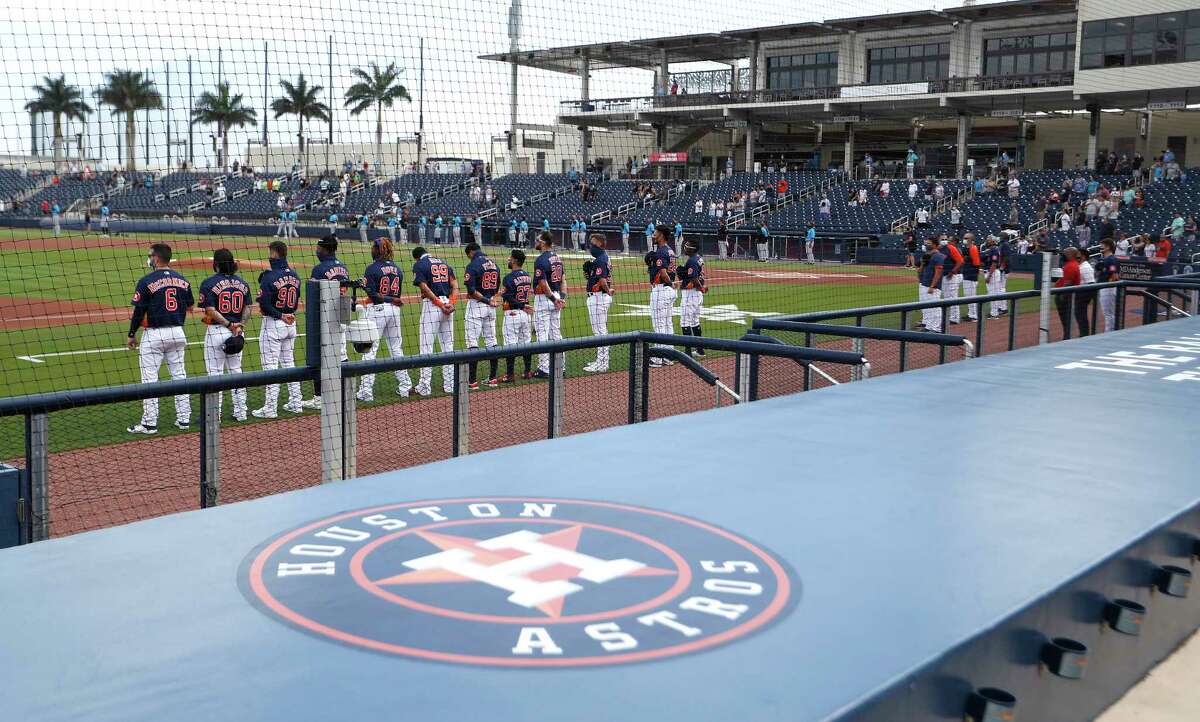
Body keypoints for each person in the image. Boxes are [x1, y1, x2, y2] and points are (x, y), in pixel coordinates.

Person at [126, 243, 194, 434]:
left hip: (155, 335)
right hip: (178, 333)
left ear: (156, 258)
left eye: (150, 255)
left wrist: (132, 334)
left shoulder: (147, 280)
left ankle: (149, 424)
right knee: (180, 376)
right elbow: (190, 307)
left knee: (149, 379)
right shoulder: (183, 279)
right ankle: (184, 419)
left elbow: (138, 311)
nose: (149, 258)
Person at [252, 241, 305, 419]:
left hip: (274, 324)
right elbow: (296, 301)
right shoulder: (296, 276)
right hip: (291, 323)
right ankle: (296, 403)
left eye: (270, 252)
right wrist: (286, 315)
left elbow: (265, 306)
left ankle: (270, 408)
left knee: (271, 367)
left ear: (274, 254)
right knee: (289, 364)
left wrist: (280, 316)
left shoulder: (269, 277)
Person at [357, 238, 413, 403]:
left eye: (373, 247)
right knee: (396, 349)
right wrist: (391, 299)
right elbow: (394, 295)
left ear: (378, 249)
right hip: (394, 312)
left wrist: (384, 297)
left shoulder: (372, 268)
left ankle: (366, 392)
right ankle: (405, 387)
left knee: (369, 350)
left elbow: (373, 295)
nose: (371, 250)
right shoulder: (397, 269)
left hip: (378, 310)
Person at [199, 249, 251, 422]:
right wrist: (240, 325)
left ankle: (214, 416)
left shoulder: (208, 283)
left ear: (216, 264)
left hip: (218, 330)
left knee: (215, 374)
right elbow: (249, 307)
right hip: (237, 332)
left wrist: (228, 324)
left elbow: (210, 310)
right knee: (236, 371)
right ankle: (241, 412)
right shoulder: (243, 283)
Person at [411, 246, 458, 395]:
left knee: (426, 347)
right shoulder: (444, 263)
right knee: (448, 347)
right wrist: (452, 302)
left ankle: (424, 387)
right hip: (448, 306)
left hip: (433, 306)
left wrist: (438, 303)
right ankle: (450, 385)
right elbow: (455, 285)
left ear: (417, 257)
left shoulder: (420, 264)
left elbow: (423, 287)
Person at [462, 242, 501, 389]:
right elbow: (496, 287)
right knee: (491, 341)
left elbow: (471, 291)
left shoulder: (473, 265)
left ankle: (472, 382)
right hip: (491, 306)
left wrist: (484, 299)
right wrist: (489, 300)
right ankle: (492, 379)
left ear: (471, 252)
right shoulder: (494, 264)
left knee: (472, 343)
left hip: (477, 306)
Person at [531, 231, 565, 378]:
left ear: (543, 242)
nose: (536, 242)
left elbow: (543, 283)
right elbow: (564, 279)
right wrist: (561, 297)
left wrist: (552, 298)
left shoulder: (541, 259)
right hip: (556, 296)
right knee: (556, 334)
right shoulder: (557, 258)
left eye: (538, 240)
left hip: (545, 299)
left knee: (542, 334)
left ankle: (544, 369)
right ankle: (560, 367)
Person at [499, 249, 534, 382]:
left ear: (514, 260)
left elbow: (508, 296)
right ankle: (527, 372)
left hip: (513, 313)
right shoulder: (527, 275)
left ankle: (509, 375)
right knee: (526, 343)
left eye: (510, 258)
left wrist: (520, 305)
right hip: (525, 315)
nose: (508, 259)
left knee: (510, 344)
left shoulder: (508, 277)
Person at [646, 224, 678, 366]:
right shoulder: (670, 251)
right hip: (669, 292)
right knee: (667, 324)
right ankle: (668, 355)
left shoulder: (660, 251)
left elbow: (664, 273)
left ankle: (658, 358)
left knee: (659, 324)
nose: (653, 235)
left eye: (655, 233)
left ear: (662, 235)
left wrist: (669, 283)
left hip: (661, 290)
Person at [583, 234, 613, 372]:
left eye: (593, 243)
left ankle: (602, 363)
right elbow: (606, 277)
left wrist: (607, 290)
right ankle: (601, 361)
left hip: (598, 298)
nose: (591, 246)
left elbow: (602, 280)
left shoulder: (601, 259)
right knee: (600, 331)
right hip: (599, 297)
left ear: (601, 244)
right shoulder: (604, 258)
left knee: (600, 332)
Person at [677, 238, 706, 358]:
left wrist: (701, 287)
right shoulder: (698, 257)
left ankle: (687, 353)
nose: (685, 247)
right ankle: (700, 350)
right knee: (695, 321)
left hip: (691, 294)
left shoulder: (692, 261)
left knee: (684, 322)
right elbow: (699, 275)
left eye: (687, 246)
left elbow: (694, 278)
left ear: (691, 249)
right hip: (696, 295)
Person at [1054, 247, 1086, 337]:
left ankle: (1067, 337)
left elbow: (1068, 283)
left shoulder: (1071, 266)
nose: (1063, 255)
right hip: (1067, 295)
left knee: (1066, 319)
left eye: (1065, 253)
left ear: (1071, 255)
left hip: (1065, 296)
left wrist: (1061, 297)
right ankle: (1067, 336)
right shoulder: (1071, 264)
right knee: (1066, 319)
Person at [917, 238, 945, 331]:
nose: (926, 245)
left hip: (933, 286)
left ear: (935, 245)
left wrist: (932, 286)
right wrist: (922, 263)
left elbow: (938, 272)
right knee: (926, 306)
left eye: (929, 243)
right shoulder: (926, 255)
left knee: (935, 307)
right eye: (926, 243)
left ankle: (936, 328)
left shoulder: (939, 256)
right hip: (924, 283)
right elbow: (919, 271)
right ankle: (928, 326)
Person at [1096, 238, 1121, 333]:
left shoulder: (1111, 259)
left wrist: (1109, 285)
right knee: (1108, 313)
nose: (1100, 247)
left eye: (1103, 245)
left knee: (1108, 314)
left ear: (1108, 247)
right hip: (1105, 288)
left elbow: (1115, 276)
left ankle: (1109, 332)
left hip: (1108, 289)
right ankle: (1110, 331)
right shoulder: (1105, 259)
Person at [940, 237, 964, 324]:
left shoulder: (952, 248)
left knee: (953, 297)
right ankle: (949, 317)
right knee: (946, 297)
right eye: (943, 239)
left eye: (947, 239)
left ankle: (955, 318)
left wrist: (953, 271)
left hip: (952, 276)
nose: (946, 241)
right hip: (944, 276)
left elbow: (961, 261)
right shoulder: (941, 249)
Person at [960, 233, 982, 322]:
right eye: (964, 237)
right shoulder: (967, 249)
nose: (964, 239)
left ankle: (974, 316)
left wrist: (967, 259)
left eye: (966, 238)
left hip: (971, 276)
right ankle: (970, 314)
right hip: (967, 275)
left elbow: (976, 263)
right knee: (968, 296)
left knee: (971, 296)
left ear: (971, 239)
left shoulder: (973, 248)